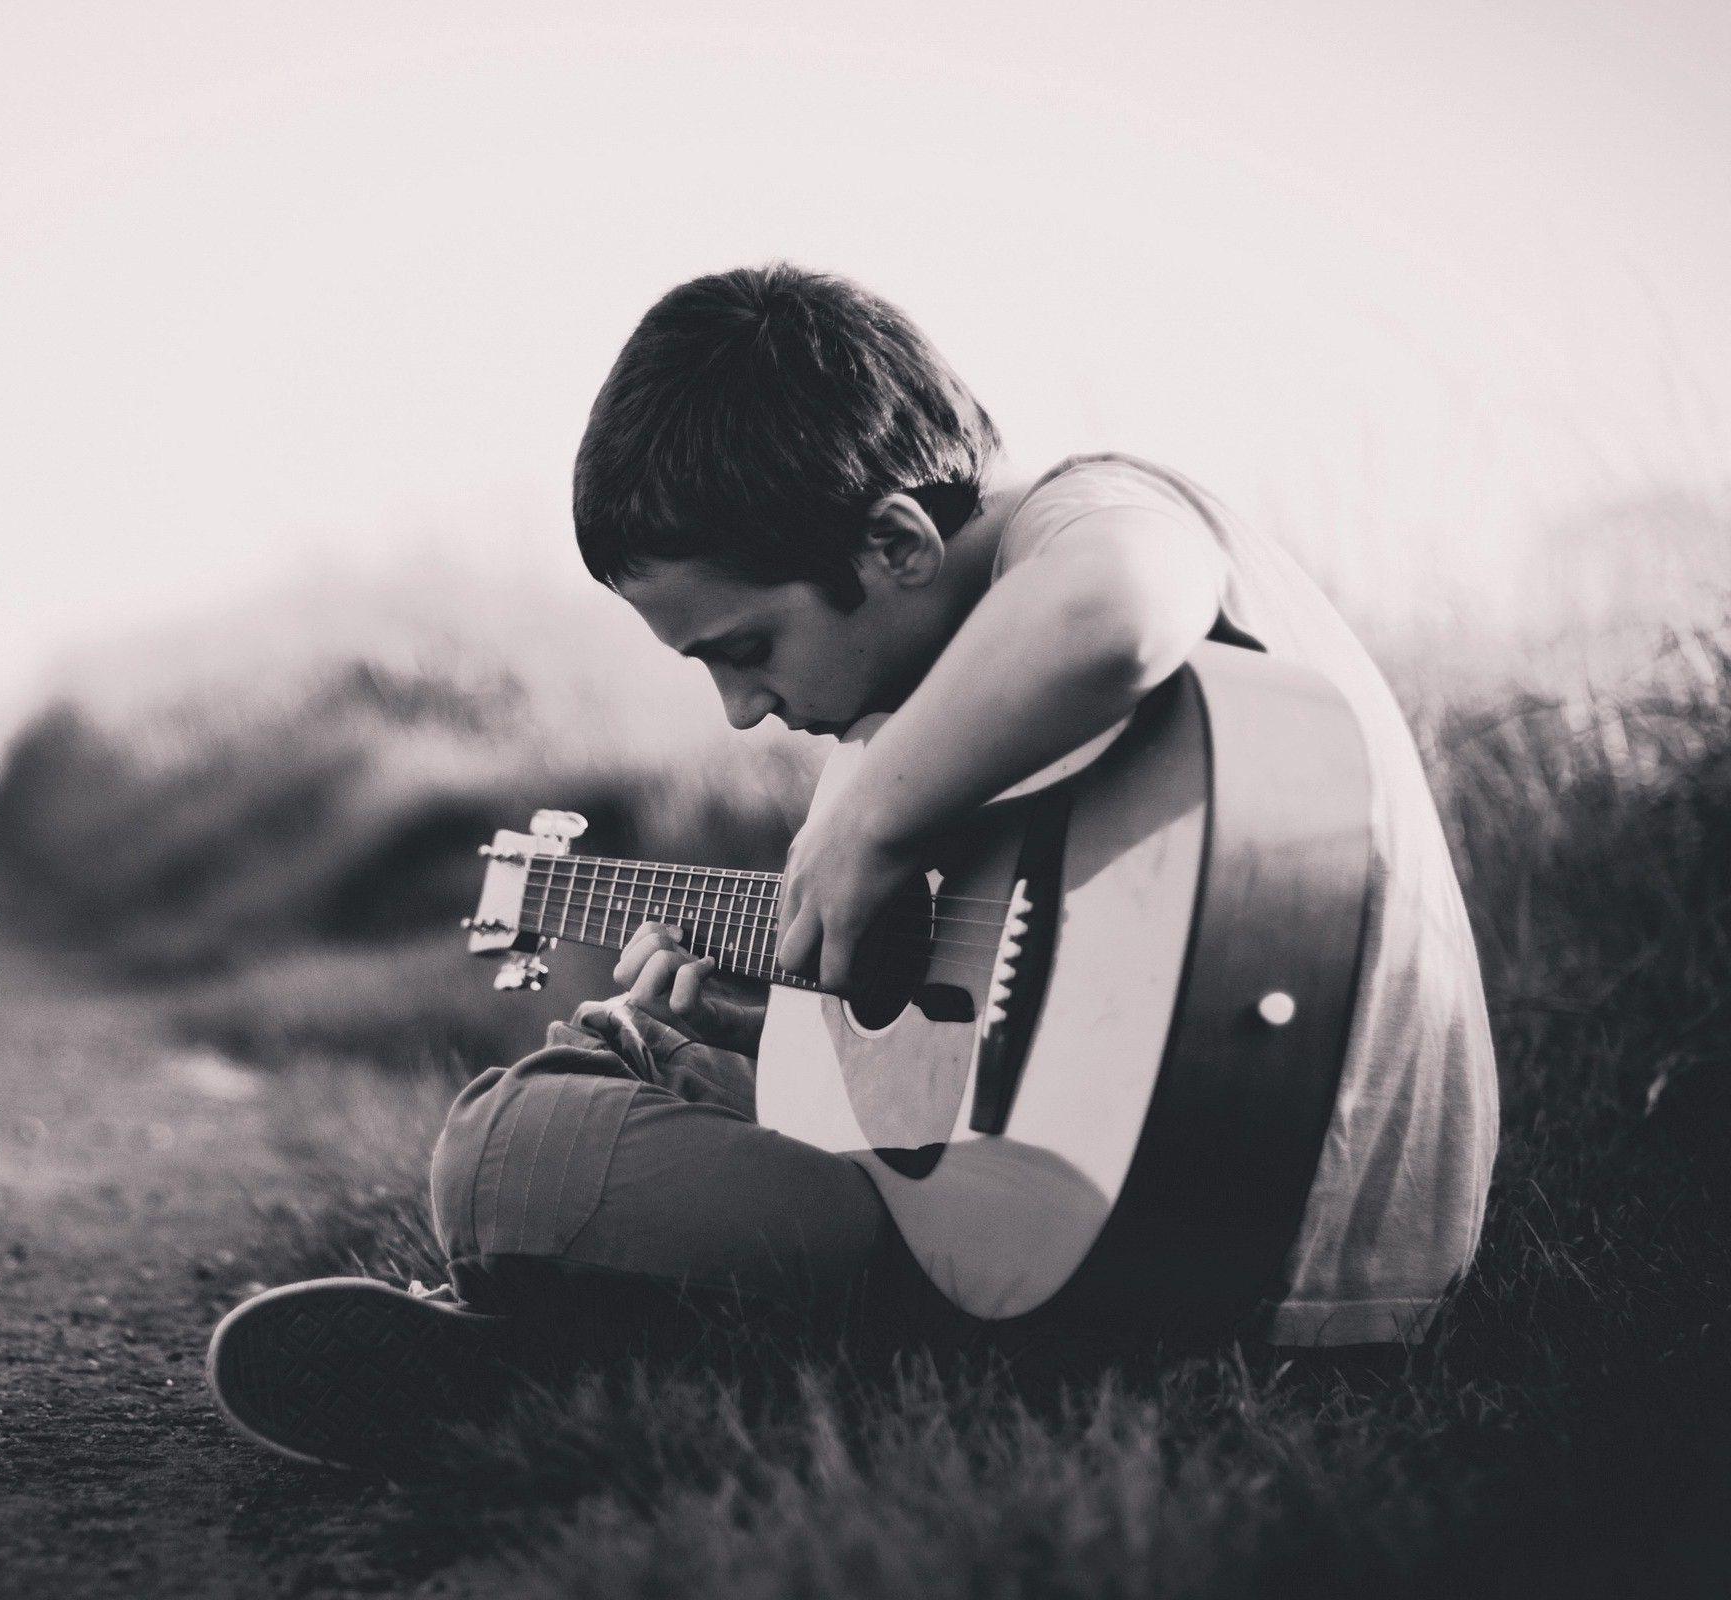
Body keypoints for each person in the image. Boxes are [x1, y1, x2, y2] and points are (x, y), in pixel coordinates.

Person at [207, 264, 1500, 1471]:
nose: (740, 710)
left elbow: (1116, 610)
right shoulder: (960, 698)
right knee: (638, 1046)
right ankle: (625, 1339)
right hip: (1149, 1215)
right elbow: (1045, 1020)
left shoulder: (1099, 514)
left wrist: (866, 817)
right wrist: (782, 1023)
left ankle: (590, 1337)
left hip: (1242, 1256)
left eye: (745, 645)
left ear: (895, 542)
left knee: (508, 1147)